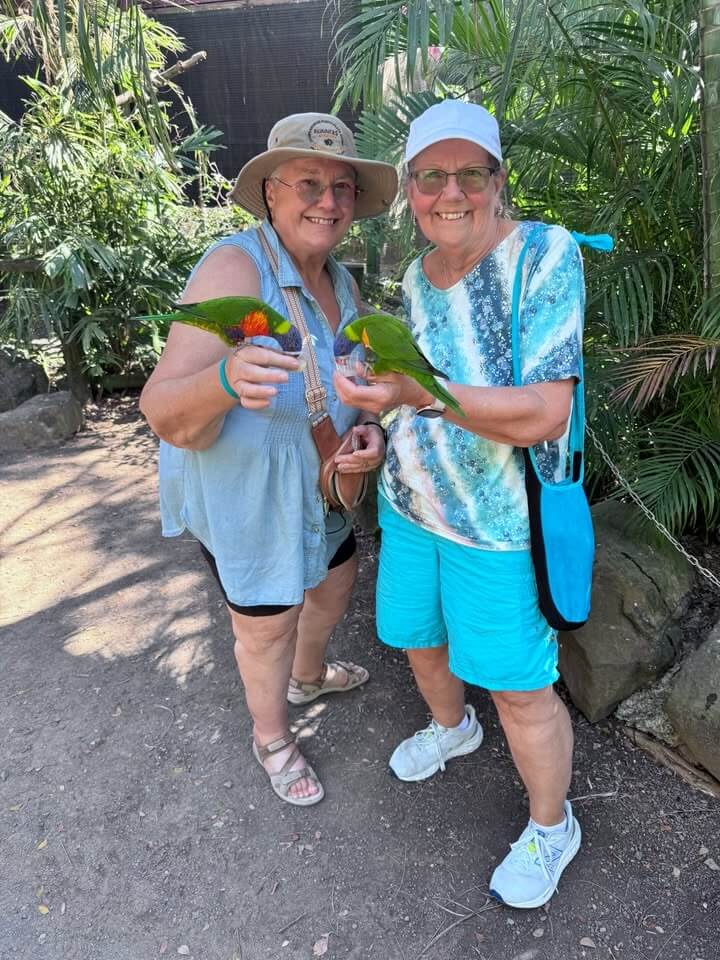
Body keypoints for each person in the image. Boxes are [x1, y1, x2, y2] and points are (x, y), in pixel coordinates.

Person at [334, 99, 585, 907]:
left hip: (500, 528)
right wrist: (376, 419)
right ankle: (453, 729)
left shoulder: (544, 253)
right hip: (413, 506)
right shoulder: (413, 275)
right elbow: (412, 385)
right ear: (410, 189)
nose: (451, 192)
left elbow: (547, 409)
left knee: (519, 687)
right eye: (430, 176)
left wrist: (420, 394)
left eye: (468, 173)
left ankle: (554, 828)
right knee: (415, 637)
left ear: (497, 179)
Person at [140, 113, 397, 807]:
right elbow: (161, 405)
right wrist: (225, 381)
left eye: (343, 187)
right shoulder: (237, 270)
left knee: (336, 587)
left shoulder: (341, 284)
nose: (329, 201)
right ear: (271, 195)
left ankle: (307, 676)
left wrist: (369, 424)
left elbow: (359, 377)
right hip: (250, 499)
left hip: (324, 484)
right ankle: (272, 737)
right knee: (267, 625)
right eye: (309, 183)